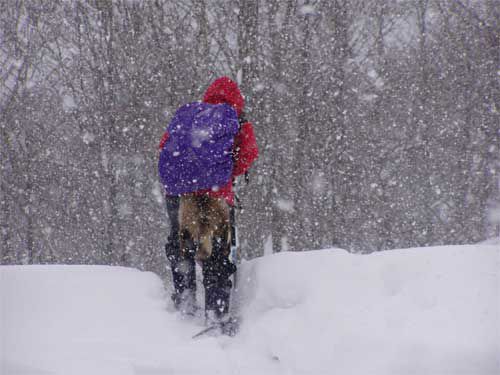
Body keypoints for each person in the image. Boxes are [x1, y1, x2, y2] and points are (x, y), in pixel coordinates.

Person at [158, 76, 258, 319]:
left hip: (179, 193)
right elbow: (248, 154)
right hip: (215, 196)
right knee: (216, 254)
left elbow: (164, 147)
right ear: (237, 99)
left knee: (182, 248)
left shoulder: (190, 116)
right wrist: (223, 175)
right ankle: (217, 313)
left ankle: (185, 303)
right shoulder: (236, 119)